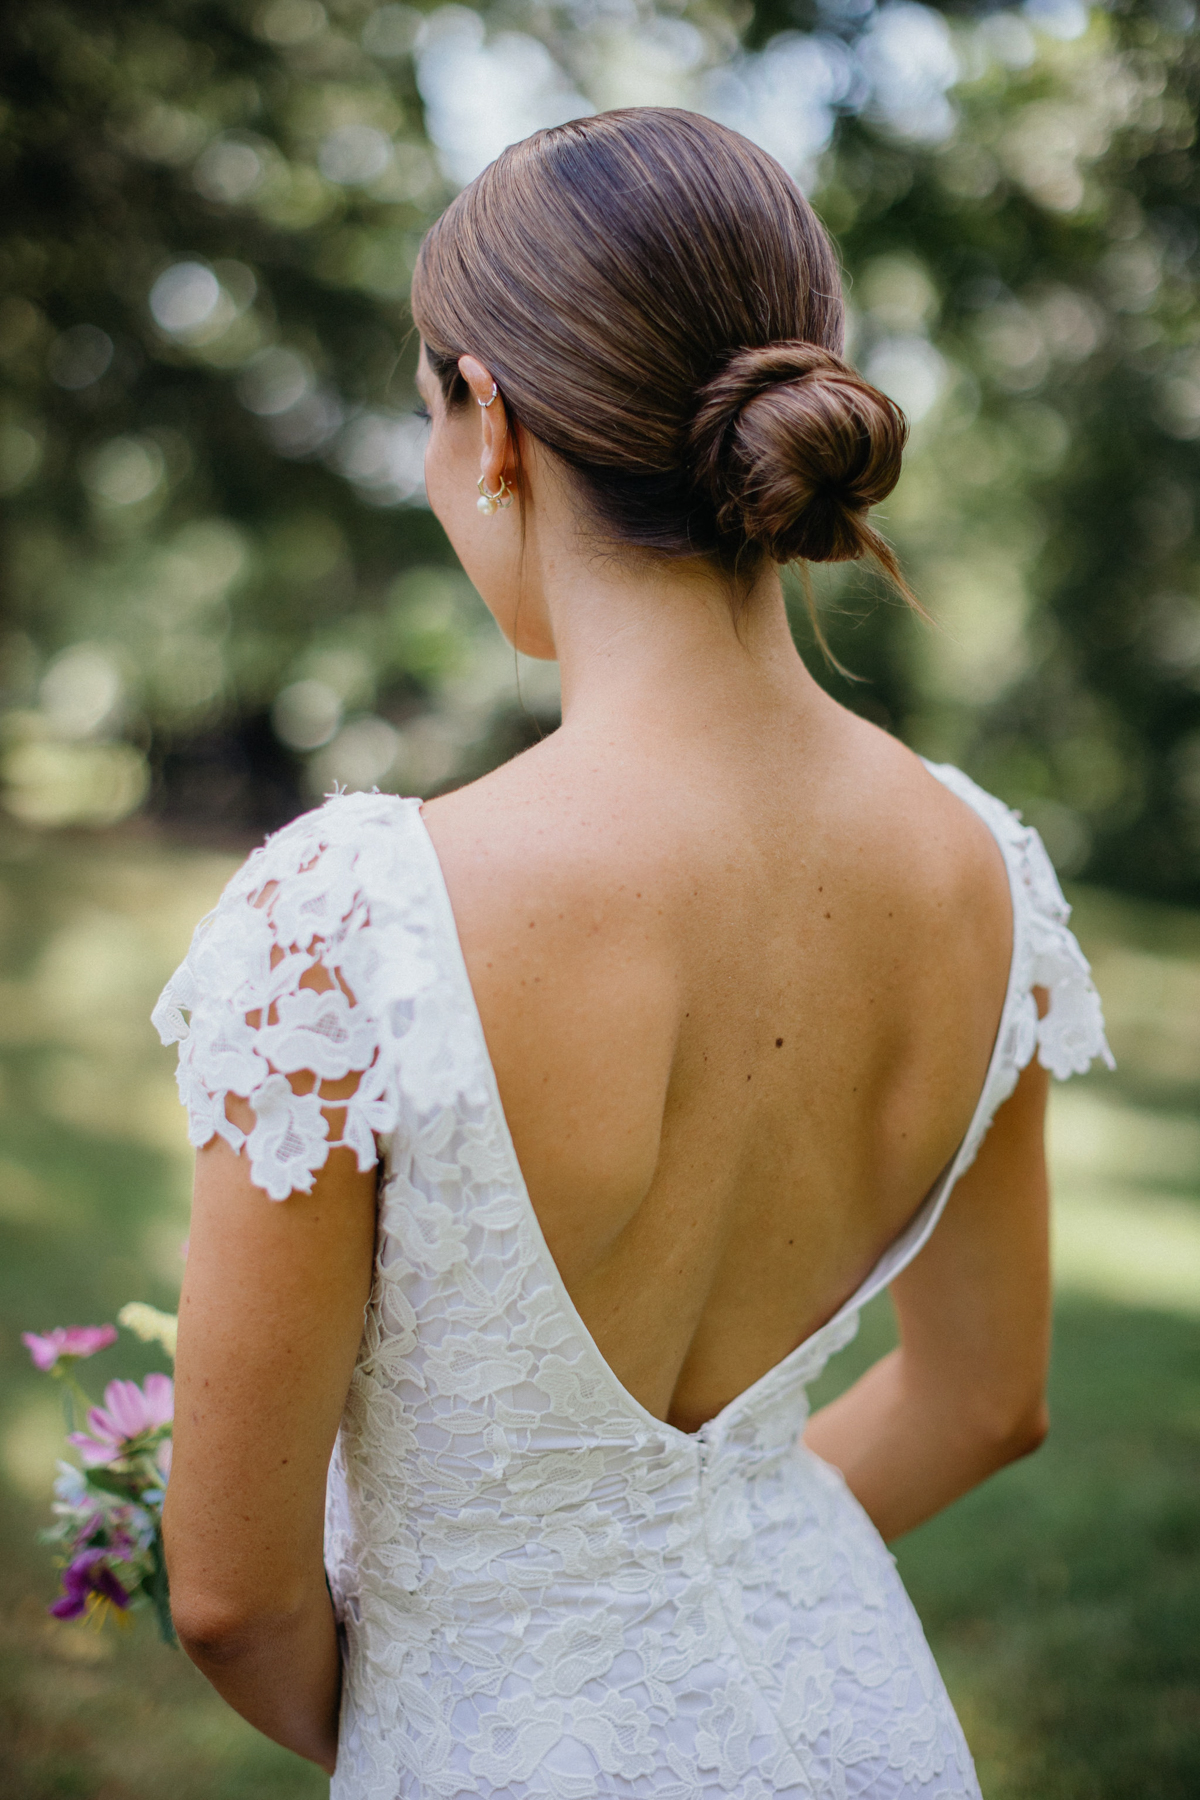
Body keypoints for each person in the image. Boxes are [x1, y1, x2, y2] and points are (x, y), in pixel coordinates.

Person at [153, 108, 1112, 1799]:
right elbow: (984, 1403)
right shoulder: (986, 875)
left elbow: (231, 1598)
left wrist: (458, 1685)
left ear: (495, 427)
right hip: (860, 1717)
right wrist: (701, 1583)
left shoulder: (357, 921)